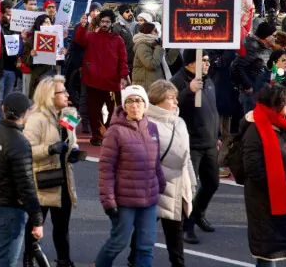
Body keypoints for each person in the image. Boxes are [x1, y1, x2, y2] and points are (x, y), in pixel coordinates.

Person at [242, 84, 286, 266]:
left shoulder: (284, 125)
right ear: (274, 104)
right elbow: (254, 169)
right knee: (268, 253)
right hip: (266, 201)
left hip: (285, 197)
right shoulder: (256, 130)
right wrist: (279, 188)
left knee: (273, 250)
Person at [94, 85, 165, 267]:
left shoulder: (152, 128)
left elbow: (155, 162)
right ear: (124, 105)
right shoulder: (115, 132)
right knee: (118, 242)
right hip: (124, 201)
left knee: (146, 246)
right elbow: (106, 169)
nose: (135, 105)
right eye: (130, 101)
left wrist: (161, 185)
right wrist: (108, 201)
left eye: (139, 100)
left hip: (148, 200)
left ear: (145, 104)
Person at [128, 80, 195, 267]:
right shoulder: (146, 124)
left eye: (175, 97)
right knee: (143, 231)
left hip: (178, 187)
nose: (176, 102)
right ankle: (132, 260)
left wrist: (191, 182)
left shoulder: (179, 122)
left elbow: (186, 156)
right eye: (171, 98)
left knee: (175, 234)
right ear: (157, 101)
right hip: (155, 188)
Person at [23, 76, 80, 267]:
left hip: (63, 177)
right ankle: (29, 257)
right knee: (36, 222)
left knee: (62, 224)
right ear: (49, 95)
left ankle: (64, 261)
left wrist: (74, 151)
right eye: (62, 91)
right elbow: (27, 150)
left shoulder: (68, 114)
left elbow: (71, 141)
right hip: (44, 178)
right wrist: (49, 149)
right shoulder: (36, 119)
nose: (67, 94)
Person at [0, 92, 44, 267]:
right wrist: (37, 220)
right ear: (25, 114)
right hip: (9, 208)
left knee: (3, 253)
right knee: (7, 259)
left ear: (3, 109)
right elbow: (26, 184)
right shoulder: (20, 142)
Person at [170, 49, 219, 244]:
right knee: (188, 187)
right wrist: (188, 91)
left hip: (208, 142)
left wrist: (216, 135)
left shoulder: (208, 80)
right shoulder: (178, 81)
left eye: (208, 60)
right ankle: (186, 226)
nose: (207, 64)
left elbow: (212, 111)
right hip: (190, 143)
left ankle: (198, 214)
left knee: (212, 183)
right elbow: (174, 107)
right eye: (203, 60)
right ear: (191, 62)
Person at [73, 9, 129, 146]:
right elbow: (79, 40)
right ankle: (97, 135)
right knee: (93, 112)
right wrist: (82, 26)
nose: (104, 24)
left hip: (112, 84)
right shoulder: (91, 36)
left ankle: (108, 133)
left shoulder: (118, 40)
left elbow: (123, 60)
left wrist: (123, 76)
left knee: (115, 111)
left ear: (112, 23)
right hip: (93, 82)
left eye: (107, 22)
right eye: (103, 21)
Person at [233, 22, 276, 113]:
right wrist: (247, 85)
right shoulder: (252, 46)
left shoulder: (267, 48)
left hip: (262, 91)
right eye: (274, 35)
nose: (276, 38)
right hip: (251, 94)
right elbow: (236, 66)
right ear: (266, 37)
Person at [22, 14, 59, 97]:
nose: (48, 25)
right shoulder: (30, 41)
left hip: (53, 75)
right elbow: (26, 61)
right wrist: (31, 55)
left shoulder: (57, 38)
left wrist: (62, 53)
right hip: (38, 77)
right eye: (45, 23)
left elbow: (60, 61)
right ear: (39, 25)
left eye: (49, 22)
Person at [132, 22, 165, 92]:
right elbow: (151, 65)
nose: (158, 32)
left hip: (152, 85)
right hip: (146, 87)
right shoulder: (143, 46)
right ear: (148, 32)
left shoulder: (153, 44)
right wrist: (159, 48)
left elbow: (167, 61)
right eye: (155, 30)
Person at [112, 3, 136, 69]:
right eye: (127, 11)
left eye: (131, 11)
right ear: (122, 14)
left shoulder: (137, 25)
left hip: (137, 61)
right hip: (124, 62)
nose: (130, 13)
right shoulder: (117, 27)